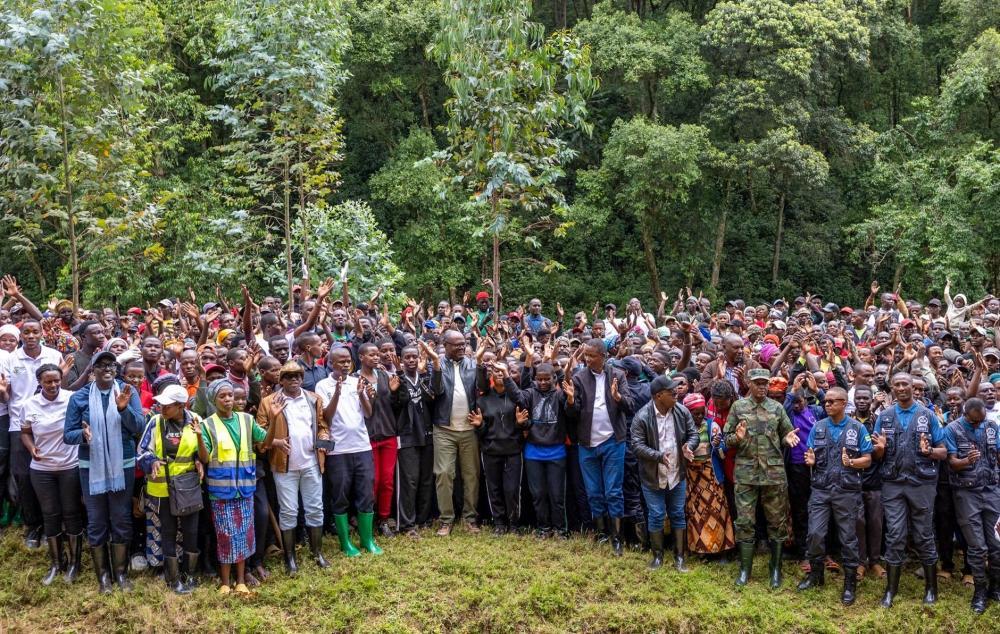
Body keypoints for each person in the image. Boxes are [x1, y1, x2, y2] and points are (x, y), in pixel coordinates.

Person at [63, 350, 144, 594]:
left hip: (123, 464)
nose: (107, 369)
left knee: (120, 518)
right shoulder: (80, 397)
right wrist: (83, 436)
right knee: (97, 520)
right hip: (91, 466)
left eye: (111, 365)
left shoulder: (128, 392)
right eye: (101, 365)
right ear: (92, 369)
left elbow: (138, 426)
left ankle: (120, 574)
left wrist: (123, 410)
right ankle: (103, 577)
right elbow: (68, 435)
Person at [872, 372, 947, 607]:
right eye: (898, 385)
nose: (902, 388)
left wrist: (930, 452)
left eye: (906, 384)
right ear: (892, 388)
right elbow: (877, 455)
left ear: (914, 388)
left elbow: (943, 451)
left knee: (924, 534)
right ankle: (890, 591)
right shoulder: (883, 417)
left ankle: (931, 589)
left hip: (922, 483)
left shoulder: (927, 415)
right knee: (894, 535)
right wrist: (880, 449)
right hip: (893, 484)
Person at [795, 387, 873, 606]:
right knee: (816, 534)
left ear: (842, 403)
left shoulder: (857, 428)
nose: (826, 405)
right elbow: (810, 455)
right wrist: (810, 461)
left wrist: (853, 463)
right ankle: (816, 576)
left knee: (848, 537)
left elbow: (867, 459)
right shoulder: (818, 427)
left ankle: (850, 584)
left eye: (831, 402)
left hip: (847, 491)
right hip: (821, 489)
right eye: (825, 402)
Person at [724, 368, 801, 588]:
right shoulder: (738, 407)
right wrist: (736, 438)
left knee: (777, 523)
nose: (762, 387)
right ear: (749, 383)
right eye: (758, 383)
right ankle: (745, 569)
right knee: (745, 522)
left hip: (773, 474)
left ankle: (775, 569)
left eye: (765, 383)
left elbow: (787, 433)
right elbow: (727, 438)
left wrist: (788, 438)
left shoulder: (776, 407)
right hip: (746, 473)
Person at [257, 361, 329, 575]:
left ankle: (317, 553)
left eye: (297, 376)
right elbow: (260, 437)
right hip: (284, 466)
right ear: (281, 380)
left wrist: (323, 439)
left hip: (311, 463)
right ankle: (290, 558)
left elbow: (322, 426)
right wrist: (276, 435)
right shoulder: (269, 402)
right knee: (288, 511)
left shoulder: (313, 399)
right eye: (288, 376)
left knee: (315, 508)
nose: (294, 380)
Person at [196, 379, 267, 596]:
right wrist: (199, 436)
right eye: (222, 396)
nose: (228, 400)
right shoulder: (207, 424)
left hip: (245, 487)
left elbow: (264, 441)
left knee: (245, 533)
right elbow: (204, 458)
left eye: (230, 395)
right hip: (221, 490)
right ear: (214, 400)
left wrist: (276, 431)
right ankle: (226, 582)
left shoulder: (247, 420)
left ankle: (241, 579)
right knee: (225, 534)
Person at [565, 338, 635, 556]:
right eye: (585, 355)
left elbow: (631, 406)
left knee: (613, 491)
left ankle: (617, 537)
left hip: (613, 441)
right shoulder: (579, 377)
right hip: (587, 443)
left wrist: (618, 397)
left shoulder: (618, 375)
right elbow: (573, 413)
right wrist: (569, 401)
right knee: (594, 492)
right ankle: (602, 533)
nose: (587, 359)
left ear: (603, 356)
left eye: (591, 355)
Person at [136, 384, 204, 594]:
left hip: (188, 486)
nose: (161, 408)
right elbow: (141, 451)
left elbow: (204, 448)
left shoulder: (196, 420)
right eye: (160, 404)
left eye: (167, 406)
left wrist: (199, 461)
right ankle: (173, 579)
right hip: (162, 488)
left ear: (180, 406)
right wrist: (152, 462)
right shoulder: (155, 422)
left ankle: (190, 574)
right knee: (168, 531)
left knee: (191, 531)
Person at [315, 347, 382, 556]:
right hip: (337, 450)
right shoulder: (323, 385)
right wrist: (337, 391)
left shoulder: (357, 381)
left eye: (348, 361)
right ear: (331, 363)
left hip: (361, 446)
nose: (345, 365)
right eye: (341, 361)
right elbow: (326, 416)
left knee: (366, 493)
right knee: (340, 495)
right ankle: (345, 543)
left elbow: (369, 413)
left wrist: (362, 393)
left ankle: (367, 540)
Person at [19, 364, 81, 585]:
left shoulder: (72, 399)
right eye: (48, 381)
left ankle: (75, 564)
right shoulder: (30, 405)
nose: (53, 385)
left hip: (69, 466)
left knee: (72, 513)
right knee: (50, 514)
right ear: (40, 383)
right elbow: (25, 432)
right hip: (42, 470)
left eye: (56, 380)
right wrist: (31, 448)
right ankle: (57, 563)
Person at [2, 320, 62, 549]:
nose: (30, 335)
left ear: (42, 333)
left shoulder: (53, 355)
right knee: (23, 476)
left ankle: (52, 527)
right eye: (26, 332)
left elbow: (58, 386)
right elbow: (6, 395)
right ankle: (33, 525)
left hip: (50, 424)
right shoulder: (10, 359)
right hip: (19, 423)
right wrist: (2, 394)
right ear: (20, 336)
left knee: (52, 474)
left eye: (35, 331)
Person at [629, 376, 699, 571]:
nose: (676, 394)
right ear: (659, 396)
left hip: (677, 473)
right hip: (653, 475)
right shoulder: (642, 416)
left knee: (677, 513)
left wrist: (688, 446)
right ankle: (657, 557)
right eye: (671, 392)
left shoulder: (681, 411)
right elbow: (636, 445)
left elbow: (693, 433)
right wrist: (658, 456)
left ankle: (679, 557)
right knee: (657, 514)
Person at [943, 398, 1000, 614]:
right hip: (967, 494)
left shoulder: (992, 426)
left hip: (992, 491)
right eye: (974, 422)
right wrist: (967, 460)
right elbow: (952, 463)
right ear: (965, 414)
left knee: (997, 544)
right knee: (977, 547)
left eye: (981, 420)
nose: (979, 425)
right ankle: (980, 591)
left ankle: (995, 587)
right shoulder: (953, 429)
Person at [505, 361, 570, 539]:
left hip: (556, 452)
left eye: (546, 379)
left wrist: (563, 368)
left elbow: (571, 407)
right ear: (534, 379)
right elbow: (516, 396)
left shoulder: (559, 395)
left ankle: (560, 530)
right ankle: (543, 528)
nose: (542, 382)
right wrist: (505, 375)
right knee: (538, 494)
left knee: (557, 495)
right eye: (539, 379)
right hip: (533, 452)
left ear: (553, 379)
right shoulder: (530, 393)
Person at [429, 330, 481, 536]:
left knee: (471, 475)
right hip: (444, 429)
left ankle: (470, 518)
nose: (461, 347)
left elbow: (482, 389)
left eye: (464, 344)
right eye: (457, 345)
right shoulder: (438, 363)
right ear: (445, 345)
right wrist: (435, 367)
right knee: (443, 474)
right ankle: (446, 520)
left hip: (469, 430)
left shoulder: (472, 363)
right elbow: (436, 391)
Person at [472, 361, 529, 535]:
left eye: (502, 372)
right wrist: (480, 425)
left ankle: (513, 524)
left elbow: (524, 407)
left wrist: (520, 424)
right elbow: (480, 430)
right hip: (490, 450)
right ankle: (499, 523)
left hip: (513, 450)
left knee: (512, 489)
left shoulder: (515, 397)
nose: (498, 374)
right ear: (489, 376)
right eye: (495, 371)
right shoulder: (483, 399)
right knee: (494, 488)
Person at [681, 392, 734, 559]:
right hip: (692, 475)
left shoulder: (713, 426)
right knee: (696, 512)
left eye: (701, 412)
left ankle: (722, 549)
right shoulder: (683, 428)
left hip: (711, 474)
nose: (698, 416)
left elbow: (722, 451)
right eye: (694, 413)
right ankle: (701, 549)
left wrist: (719, 445)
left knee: (718, 511)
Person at [392, 343, 435, 537]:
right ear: (401, 360)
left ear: (419, 359)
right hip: (407, 436)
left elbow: (434, 398)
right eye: (407, 357)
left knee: (426, 479)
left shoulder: (424, 378)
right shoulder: (396, 380)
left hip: (426, 434)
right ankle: (407, 524)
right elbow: (398, 403)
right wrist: (399, 379)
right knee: (409, 480)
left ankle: (423, 519)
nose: (411, 360)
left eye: (414, 357)